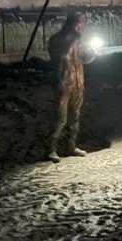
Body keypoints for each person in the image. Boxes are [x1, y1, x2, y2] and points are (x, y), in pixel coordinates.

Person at [47, 12, 98, 163]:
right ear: (72, 24)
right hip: (63, 84)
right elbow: (60, 57)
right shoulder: (58, 40)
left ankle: (71, 146)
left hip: (77, 83)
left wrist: (93, 54)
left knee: (74, 117)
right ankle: (51, 149)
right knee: (60, 119)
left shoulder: (78, 41)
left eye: (81, 24)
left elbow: (83, 59)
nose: (80, 27)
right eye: (78, 24)